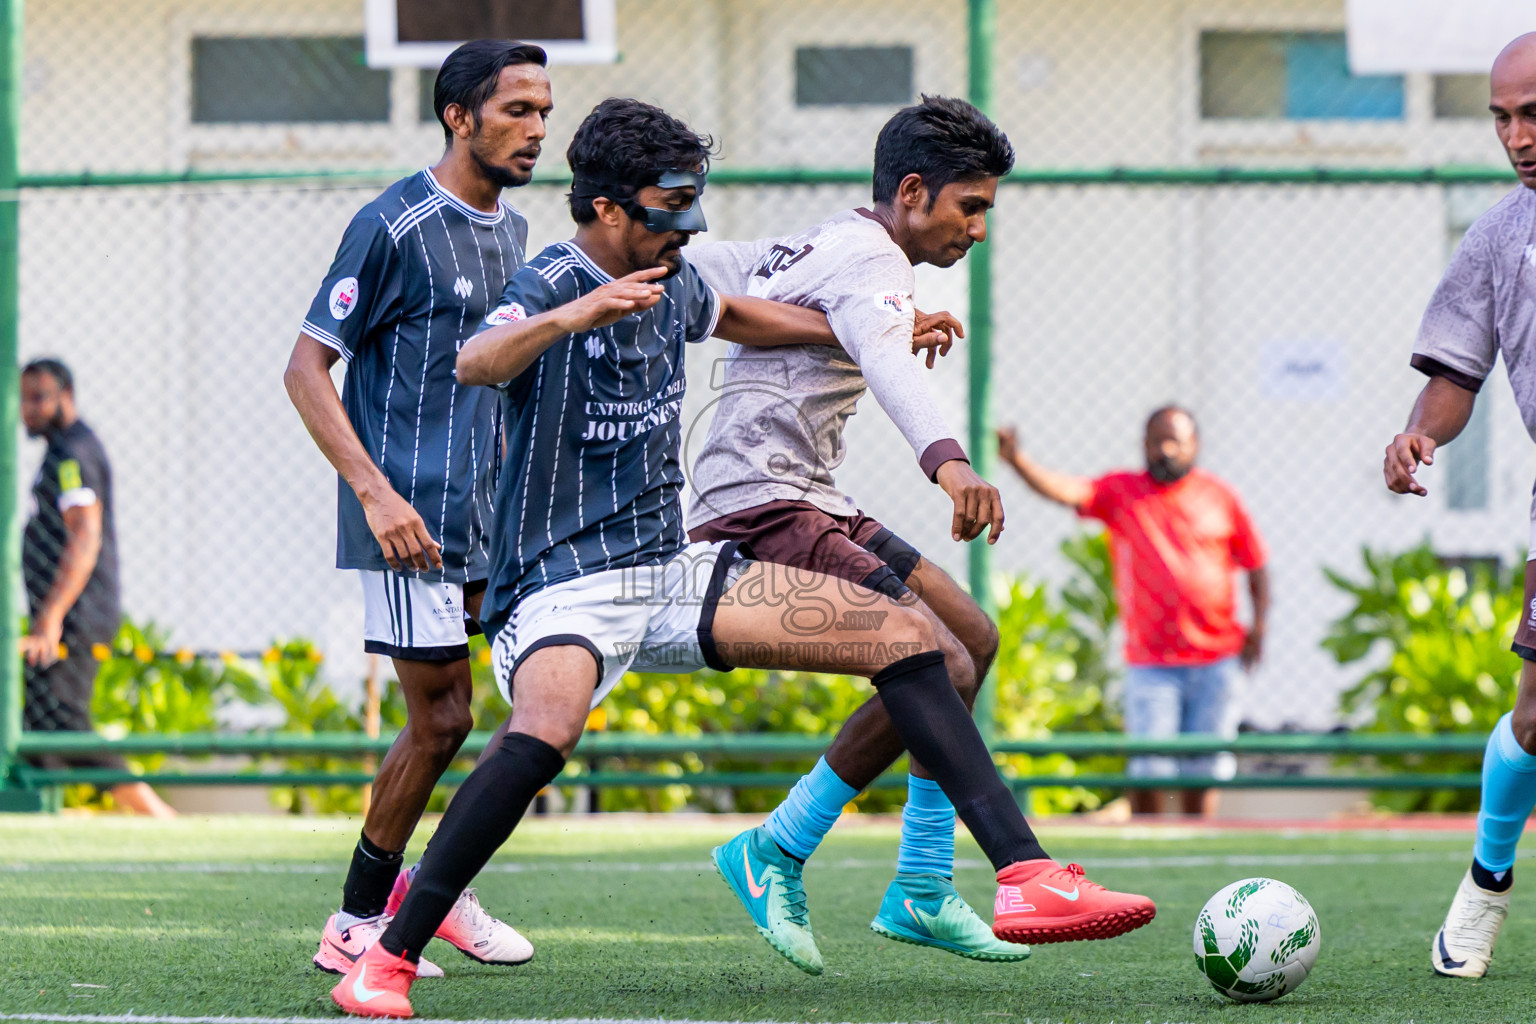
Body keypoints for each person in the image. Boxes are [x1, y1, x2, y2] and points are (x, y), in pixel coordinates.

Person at [328, 97, 1155, 1019]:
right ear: (607, 209)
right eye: (669, 209)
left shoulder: (673, 278)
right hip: (564, 587)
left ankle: (1024, 872)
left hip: (672, 571)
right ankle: (387, 954)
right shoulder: (555, 278)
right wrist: (577, 313)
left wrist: (870, 331)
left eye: (694, 208)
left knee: (909, 637)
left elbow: (745, 313)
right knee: (546, 735)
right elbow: (476, 359)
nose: (689, 229)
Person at [685, 95, 1027, 964]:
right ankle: (778, 848)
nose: (979, 228)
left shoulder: (837, 244)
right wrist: (951, 463)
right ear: (913, 191)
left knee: (972, 638)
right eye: (971, 205)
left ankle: (919, 886)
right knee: (935, 659)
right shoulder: (870, 259)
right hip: (757, 503)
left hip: (811, 495)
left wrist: (872, 321)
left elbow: (734, 281)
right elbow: (881, 363)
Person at [284, 39, 548, 977]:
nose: (536, 128)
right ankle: (359, 918)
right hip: (409, 519)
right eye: (517, 109)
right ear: (459, 115)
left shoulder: (514, 231)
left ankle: (423, 890)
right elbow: (306, 368)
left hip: (484, 517)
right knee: (441, 720)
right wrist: (375, 491)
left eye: (544, 112)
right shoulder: (390, 224)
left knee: (508, 707)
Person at [1385, 32, 1536, 981]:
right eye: (1503, 117)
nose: (1518, 134)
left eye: (1534, 112)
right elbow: (1455, 368)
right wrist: (1419, 435)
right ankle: (1483, 889)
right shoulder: (1495, 237)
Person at [996, 407, 1269, 818]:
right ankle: (1146, 846)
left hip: (1217, 659)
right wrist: (1018, 461)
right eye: (1156, 439)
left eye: (1175, 440)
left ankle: (1199, 845)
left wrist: (1260, 627)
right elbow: (1068, 491)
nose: (1164, 449)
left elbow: (1256, 566)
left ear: (1195, 444)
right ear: (1143, 444)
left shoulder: (1220, 497)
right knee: (1147, 770)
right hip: (1152, 663)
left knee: (1206, 768)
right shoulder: (1122, 491)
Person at [18, 358, 174, 819]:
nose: (28, 410)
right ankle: (39, 821)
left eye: (38, 398)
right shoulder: (63, 449)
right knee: (38, 723)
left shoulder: (72, 454)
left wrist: (50, 618)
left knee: (64, 721)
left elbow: (85, 533)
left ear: (65, 396)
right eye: (23, 399)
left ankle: (157, 816)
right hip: (67, 615)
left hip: (76, 617)